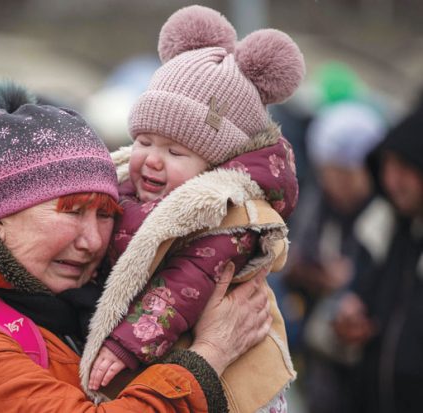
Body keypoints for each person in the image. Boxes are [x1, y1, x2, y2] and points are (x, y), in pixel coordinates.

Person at [0, 79, 273, 412]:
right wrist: (210, 355)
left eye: (105, 215)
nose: (92, 241)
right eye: (72, 212)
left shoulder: (73, 307)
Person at [81, 5, 304, 412]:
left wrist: (127, 346)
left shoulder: (227, 213)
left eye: (175, 151)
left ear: (215, 164)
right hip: (176, 372)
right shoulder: (129, 190)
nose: (151, 159)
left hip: (237, 385)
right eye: (144, 141)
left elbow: (188, 281)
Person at [283, 101, 387, 413]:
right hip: (320, 353)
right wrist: (318, 277)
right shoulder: (317, 203)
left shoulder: (388, 214)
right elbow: (286, 260)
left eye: (345, 174)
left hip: (372, 360)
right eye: (329, 173)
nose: (336, 184)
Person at [333, 97, 423, 413]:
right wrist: (348, 319)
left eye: (405, 167)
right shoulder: (385, 230)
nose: (392, 180)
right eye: (387, 165)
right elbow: (359, 297)